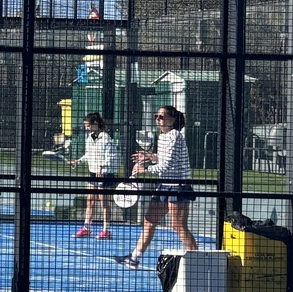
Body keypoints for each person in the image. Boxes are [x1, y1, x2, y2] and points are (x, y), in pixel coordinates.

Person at [117, 105, 198, 270]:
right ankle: (134, 258)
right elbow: (163, 159)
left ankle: (198, 260)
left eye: (162, 116)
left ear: (172, 119)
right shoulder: (162, 136)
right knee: (149, 220)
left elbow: (167, 165)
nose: (158, 119)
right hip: (164, 185)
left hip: (178, 185)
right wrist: (150, 156)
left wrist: (145, 169)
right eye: (157, 116)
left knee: (178, 225)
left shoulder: (175, 135)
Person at [71, 111, 118, 240]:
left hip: (104, 174)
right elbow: (88, 154)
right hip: (92, 172)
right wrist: (79, 161)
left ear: (96, 123)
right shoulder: (89, 138)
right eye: (86, 126)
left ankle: (106, 230)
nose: (87, 128)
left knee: (103, 202)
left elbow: (111, 156)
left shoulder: (106, 138)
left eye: (88, 125)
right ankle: (86, 228)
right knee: (90, 200)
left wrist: (102, 167)